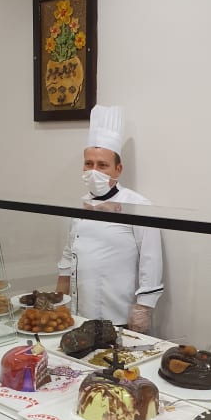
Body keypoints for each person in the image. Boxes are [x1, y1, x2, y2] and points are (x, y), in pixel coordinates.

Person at [56, 105, 163, 333]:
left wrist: (143, 308)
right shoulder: (80, 205)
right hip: (77, 313)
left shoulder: (138, 205)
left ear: (118, 169)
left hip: (118, 316)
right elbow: (68, 254)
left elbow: (151, 261)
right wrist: (58, 300)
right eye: (89, 164)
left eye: (102, 165)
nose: (94, 171)